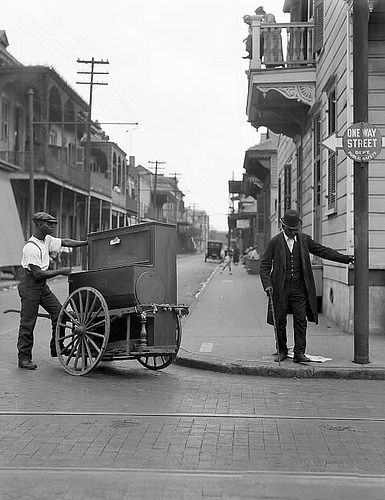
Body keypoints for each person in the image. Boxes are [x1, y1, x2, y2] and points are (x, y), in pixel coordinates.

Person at [260, 209, 354, 364]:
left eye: (295, 230)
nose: (293, 233)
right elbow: (264, 265)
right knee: (280, 320)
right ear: (283, 227)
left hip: (299, 288)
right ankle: (282, 349)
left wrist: (345, 259)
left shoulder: (304, 240)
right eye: (290, 230)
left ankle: (299, 353)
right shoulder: (275, 242)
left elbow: (323, 251)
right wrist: (267, 285)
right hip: (280, 288)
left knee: (300, 320)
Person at [17, 211, 88, 370]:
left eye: (53, 224)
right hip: (30, 285)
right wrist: (60, 271)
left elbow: (65, 242)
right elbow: (38, 273)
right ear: (38, 225)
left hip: (41, 286)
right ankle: (24, 358)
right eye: (49, 224)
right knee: (28, 323)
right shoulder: (30, 247)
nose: (52, 227)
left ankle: (56, 347)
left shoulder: (47, 240)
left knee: (60, 313)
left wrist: (85, 243)